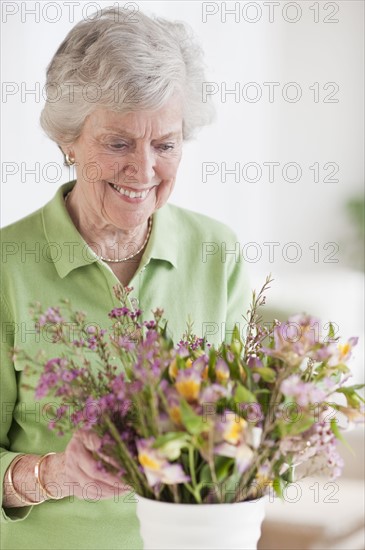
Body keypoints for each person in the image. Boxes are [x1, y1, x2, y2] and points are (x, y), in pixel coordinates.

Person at [0, 7, 250, 549]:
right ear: (69, 140)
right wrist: (51, 475)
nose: (144, 170)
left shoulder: (217, 253)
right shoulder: (7, 266)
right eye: (117, 144)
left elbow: (238, 435)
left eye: (165, 144)